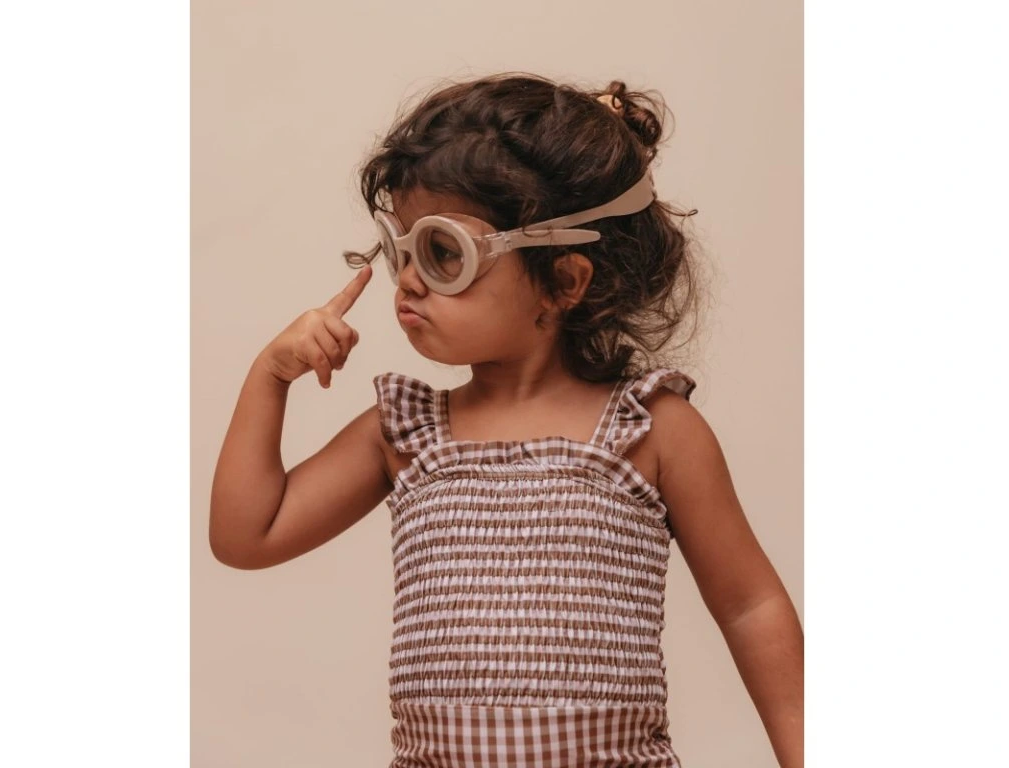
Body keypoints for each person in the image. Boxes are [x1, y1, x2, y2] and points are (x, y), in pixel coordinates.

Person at [209, 72, 803, 768]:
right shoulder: (405, 433)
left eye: (444, 253)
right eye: (401, 249)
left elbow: (750, 608)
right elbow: (249, 535)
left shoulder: (650, 429)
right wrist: (269, 377)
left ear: (564, 282)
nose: (409, 280)